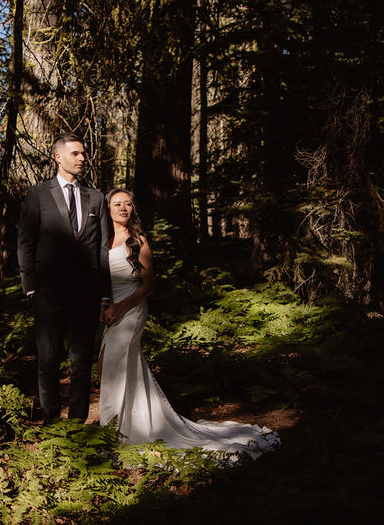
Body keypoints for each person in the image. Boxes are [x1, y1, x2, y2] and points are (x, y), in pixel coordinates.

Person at [98, 188, 280, 458]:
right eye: (117, 204)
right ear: (108, 208)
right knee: (108, 366)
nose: (123, 208)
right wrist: (103, 305)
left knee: (113, 362)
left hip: (132, 309)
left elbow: (149, 285)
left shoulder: (138, 240)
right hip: (110, 311)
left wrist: (121, 307)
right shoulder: (101, 240)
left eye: (128, 204)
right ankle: (128, 424)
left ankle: (113, 438)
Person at [17, 133, 110, 424]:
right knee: (48, 361)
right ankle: (51, 422)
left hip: (86, 294)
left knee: (81, 363)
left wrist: (105, 293)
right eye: (76, 153)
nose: (82, 158)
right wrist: (30, 288)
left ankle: (77, 424)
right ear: (58, 157)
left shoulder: (96, 198)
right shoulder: (38, 194)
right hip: (47, 294)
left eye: (83, 154)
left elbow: (103, 248)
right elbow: (25, 243)